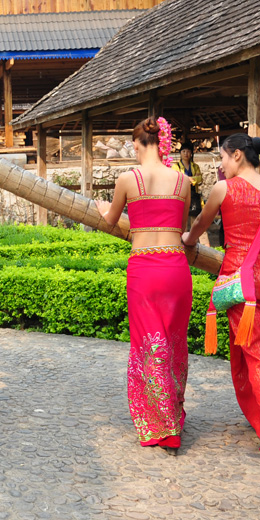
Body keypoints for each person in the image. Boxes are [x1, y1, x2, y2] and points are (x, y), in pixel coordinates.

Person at [182, 134, 260, 458]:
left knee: (257, 350)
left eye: (224, 157)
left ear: (239, 156)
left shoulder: (223, 189)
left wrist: (188, 239)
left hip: (242, 274)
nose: (220, 163)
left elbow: (202, 222)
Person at [97, 117, 192, 451]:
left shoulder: (127, 178)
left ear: (136, 144)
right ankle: (173, 417)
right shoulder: (183, 180)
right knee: (174, 343)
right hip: (176, 266)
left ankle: (161, 425)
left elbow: (110, 221)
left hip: (143, 268)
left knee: (148, 345)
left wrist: (102, 208)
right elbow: (181, 227)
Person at [172, 141, 204, 219]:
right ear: (180, 153)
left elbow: (200, 179)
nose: (186, 154)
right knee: (182, 218)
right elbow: (175, 179)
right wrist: (191, 178)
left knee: (194, 216)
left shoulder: (195, 166)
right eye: (184, 151)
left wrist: (188, 179)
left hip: (193, 195)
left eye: (188, 151)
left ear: (191, 153)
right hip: (181, 195)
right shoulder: (176, 167)